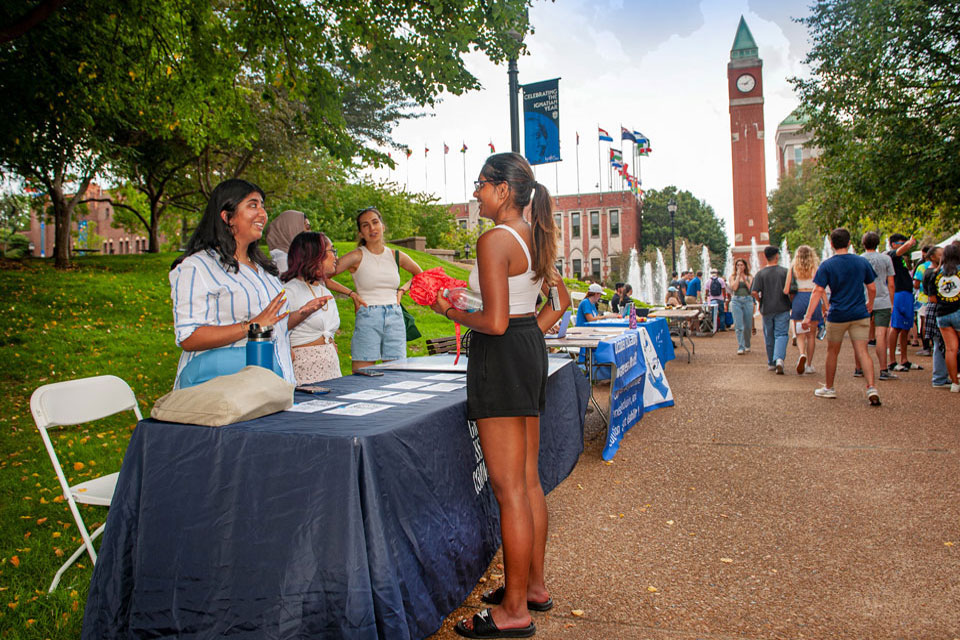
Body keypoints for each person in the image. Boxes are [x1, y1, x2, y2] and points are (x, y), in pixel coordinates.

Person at [429, 152, 570, 638]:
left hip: (502, 353)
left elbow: (492, 321)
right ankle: (532, 586)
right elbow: (558, 303)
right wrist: (528, 334)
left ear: (503, 190)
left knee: (510, 489)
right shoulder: (536, 235)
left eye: (481, 185)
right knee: (527, 482)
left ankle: (513, 611)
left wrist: (451, 312)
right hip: (527, 348)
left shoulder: (493, 240)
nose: (476, 193)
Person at [168, 179, 328, 389]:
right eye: (253, 205)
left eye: (262, 206)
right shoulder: (197, 267)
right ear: (227, 217)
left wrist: (300, 314)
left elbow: (268, 323)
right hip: (224, 391)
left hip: (274, 387)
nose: (263, 214)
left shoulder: (264, 270)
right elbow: (189, 337)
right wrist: (251, 327)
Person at [329, 207, 423, 372]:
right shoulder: (356, 256)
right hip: (368, 315)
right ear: (360, 233)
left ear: (383, 226)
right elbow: (325, 275)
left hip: (395, 315)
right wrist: (351, 294)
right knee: (363, 373)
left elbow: (421, 275)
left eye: (375, 222)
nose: (372, 228)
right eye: (365, 225)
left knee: (397, 373)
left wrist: (402, 290)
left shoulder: (396, 255)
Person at [802, 228, 880, 405]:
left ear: (831, 244)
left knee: (832, 352)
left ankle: (829, 388)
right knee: (862, 351)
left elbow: (818, 291)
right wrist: (871, 303)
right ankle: (871, 387)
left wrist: (807, 317)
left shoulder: (827, 265)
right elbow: (872, 287)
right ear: (849, 243)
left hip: (837, 314)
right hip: (859, 312)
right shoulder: (861, 262)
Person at [281, 232, 342, 384]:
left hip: (331, 370)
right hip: (304, 372)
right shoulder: (290, 290)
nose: (336, 257)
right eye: (331, 251)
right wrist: (303, 313)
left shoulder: (325, 291)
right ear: (315, 254)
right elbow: (276, 328)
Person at [859, 232, 897, 380]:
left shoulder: (860, 259)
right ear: (878, 243)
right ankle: (883, 369)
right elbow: (891, 283)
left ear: (863, 244)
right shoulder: (886, 258)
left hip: (864, 299)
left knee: (860, 335)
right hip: (883, 299)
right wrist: (892, 302)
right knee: (881, 335)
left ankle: (859, 368)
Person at [926, 242, 960, 392]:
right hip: (958, 311)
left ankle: (954, 383)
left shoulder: (936, 273)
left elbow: (932, 298)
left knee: (950, 349)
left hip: (942, 314)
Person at [752, 246, 791, 374]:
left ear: (765, 257)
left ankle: (771, 362)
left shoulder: (760, 273)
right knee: (781, 334)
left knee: (769, 335)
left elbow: (754, 291)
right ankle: (779, 358)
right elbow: (791, 291)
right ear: (777, 256)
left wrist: (760, 301)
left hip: (767, 308)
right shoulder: (785, 272)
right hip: (783, 307)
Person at [784, 245, 822, 375]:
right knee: (811, 336)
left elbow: (786, 290)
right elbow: (820, 289)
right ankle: (809, 365)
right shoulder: (815, 269)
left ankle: (801, 354)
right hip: (813, 298)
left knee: (800, 334)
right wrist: (826, 307)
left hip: (799, 299)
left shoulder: (793, 269)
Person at [886, 233, 921, 372]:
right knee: (896, 326)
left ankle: (904, 359)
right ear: (894, 244)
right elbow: (900, 250)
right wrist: (910, 242)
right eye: (901, 243)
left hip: (907, 293)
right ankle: (892, 361)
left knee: (906, 326)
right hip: (899, 293)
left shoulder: (901, 259)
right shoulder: (891, 255)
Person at [921, 246, 952, 388]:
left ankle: (942, 376)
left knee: (942, 344)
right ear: (933, 257)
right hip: (937, 307)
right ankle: (939, 377)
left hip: (937, 307)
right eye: (941, 253)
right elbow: (931, 296)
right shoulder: (931, 273)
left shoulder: (937, 272)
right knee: (939, 344)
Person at [264, 209, 309, 273]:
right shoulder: (283, 262)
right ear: (291, 229)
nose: (309, 232)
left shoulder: (292, 258)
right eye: (307, 227)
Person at [728, 258, 754, 354]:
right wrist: (738, 276)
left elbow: (750, 289)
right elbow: (734, 287)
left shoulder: (750, 276)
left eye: (741, 265)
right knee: (739, 325)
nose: (740, 267)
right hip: (736, 301)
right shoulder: (732, 276)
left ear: (745, 266)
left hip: (747, 300)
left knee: (747, 325)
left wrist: (744, 277)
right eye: (738, 265)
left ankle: (747, 344)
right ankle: (740, 346)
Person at [913, 246, 934, 356]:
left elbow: (916, 284)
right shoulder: (940, 265)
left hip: (923, 298)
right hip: (936, 298)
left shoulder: (921, 267)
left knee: (924, 321)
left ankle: (926, 347)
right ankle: (935, 345)